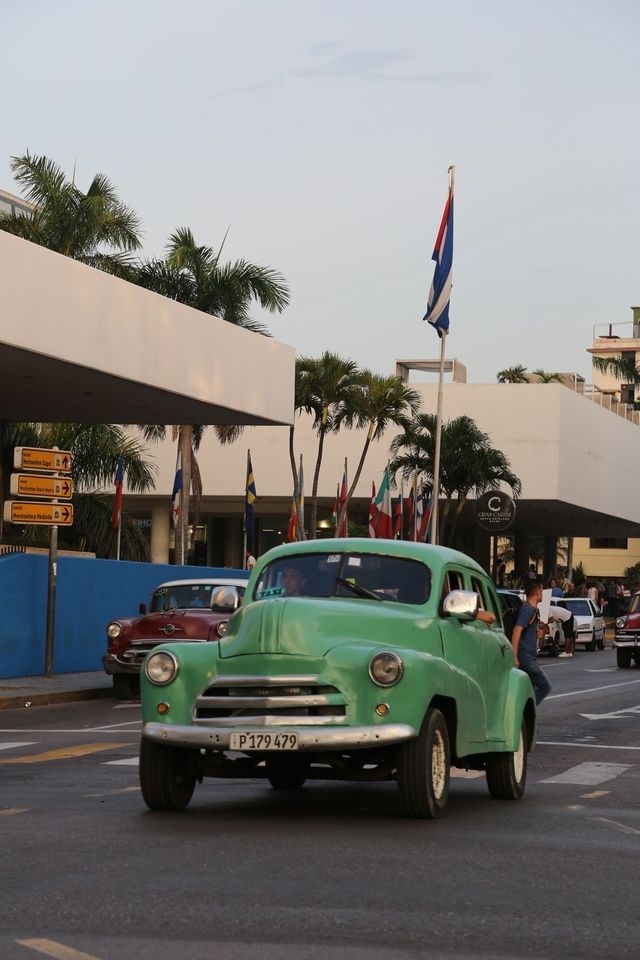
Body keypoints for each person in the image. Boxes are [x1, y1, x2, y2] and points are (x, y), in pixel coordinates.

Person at [510, 579, 552, 705]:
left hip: (529, 656)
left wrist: (537, 633)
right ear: (538, 591)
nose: (543, 594)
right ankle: (525, 712)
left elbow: (525, 631)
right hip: (526, 658)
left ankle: (524, 713)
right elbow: (517, 630)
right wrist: (514, 656)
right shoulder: (528, 610)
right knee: (545, 686)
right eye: (542, 590)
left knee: (530, 689)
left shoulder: (533, 610)